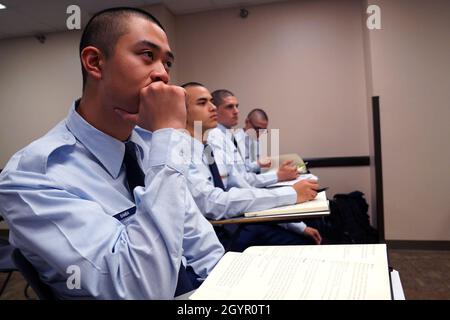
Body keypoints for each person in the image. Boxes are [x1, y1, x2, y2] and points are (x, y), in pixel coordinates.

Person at [0, 7, 224, 299]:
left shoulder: (148, 149)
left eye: (167, 62)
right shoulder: (34, 175)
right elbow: (140, 290)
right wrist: (170, 134)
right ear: (95, 62)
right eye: (147, 55)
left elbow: (202, 245)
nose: (163, 75)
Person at [176, 82, 322, 251]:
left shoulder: (207, 146)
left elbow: (239, 184)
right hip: (216, 234)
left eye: (211, 102)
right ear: (181, 110)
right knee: (303, 244)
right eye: (202, 103)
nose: (212, 108)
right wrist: (288, 192)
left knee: (304, 233)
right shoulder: (183, 150)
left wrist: (293, 218)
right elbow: (212, 203)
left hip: (230, 223)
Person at [207, 89, 297, 189]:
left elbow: (241, 173)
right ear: (214, 109)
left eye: (237, 106)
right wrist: (277, 176)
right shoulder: (214, 138)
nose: (236, 111)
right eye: (229, 107)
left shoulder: (228, 136)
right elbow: (238, 181)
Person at [235, 108, 271, 173]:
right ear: (247, 122)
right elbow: (239, 172)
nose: (260, 134)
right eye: (257, 129)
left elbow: (261, 169)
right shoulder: (235, 141)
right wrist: (258, 164)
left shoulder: (256, 140)